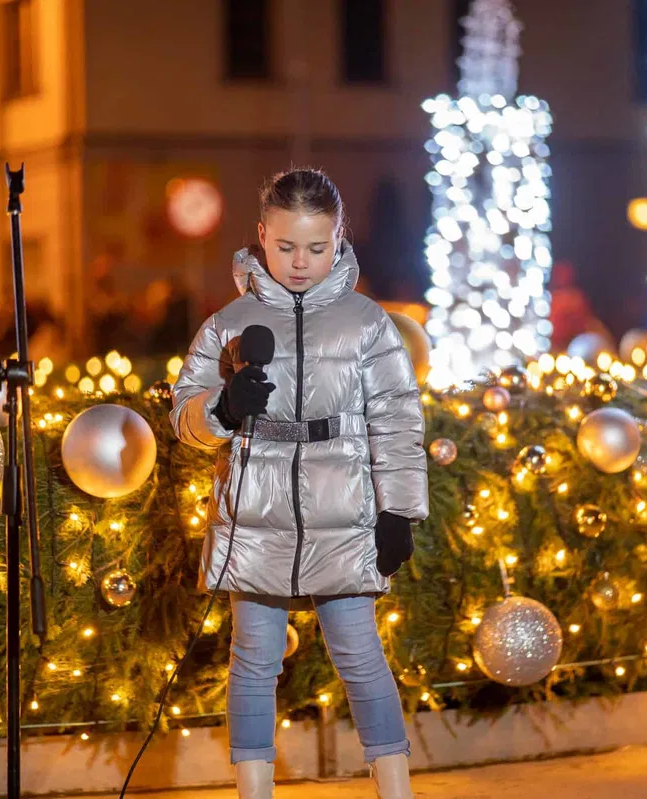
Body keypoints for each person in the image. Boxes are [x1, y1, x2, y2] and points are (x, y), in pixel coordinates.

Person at [170, 169, 427, 799]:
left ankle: (396, 789)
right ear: (262, 236)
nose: (301, 262)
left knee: (360, 655)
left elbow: (397, 419)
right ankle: (253, 791)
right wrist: (222, 409)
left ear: (339, 237)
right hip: (254, 512)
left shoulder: (368, 323)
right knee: (253, 659)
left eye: (317, 247)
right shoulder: (229, 324)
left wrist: (398, 511)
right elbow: (183, 417)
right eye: (286, 247)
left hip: (345, 513)